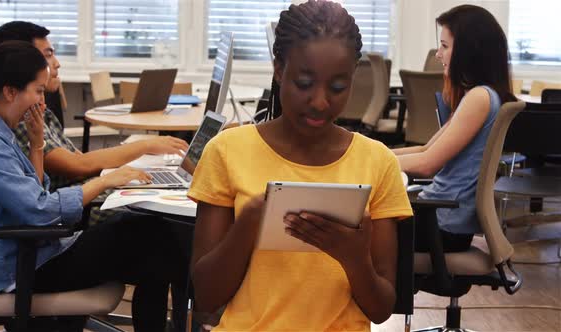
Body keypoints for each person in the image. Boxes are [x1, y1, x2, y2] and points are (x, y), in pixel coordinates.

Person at [187, 1, 413, 330]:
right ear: (279, 70)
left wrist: (354, 259)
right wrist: (249, 222)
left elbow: (381, 309)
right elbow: (206, 296)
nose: (321, 101)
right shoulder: (226, 151)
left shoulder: (378, 162)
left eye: (338, 87)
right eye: (304, 83)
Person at [0, 41, 185, 332]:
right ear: (10, 91)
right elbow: (40, 209)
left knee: (154, 251)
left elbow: (34, 194)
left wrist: (36, 144)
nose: (40, 102)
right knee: (151, 233)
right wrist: (106, 180)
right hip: (22, 268)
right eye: (37, 90)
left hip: (34, 252)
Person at [0, 21, 189, 193]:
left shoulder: (39, 111)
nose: (56, 64)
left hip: (78, 193)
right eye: (48, 55)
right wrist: (146, 146)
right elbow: (77, 166)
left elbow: (81, 158)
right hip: (72, 203)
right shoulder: (19, 118)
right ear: (21, 61)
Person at [393, 4, 516, 252]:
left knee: (348, 229)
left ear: (469, 52)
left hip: (440, 227)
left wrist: (366, 162)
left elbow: (428, 164)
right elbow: (427, 149)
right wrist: (369, 152)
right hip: (439, 221)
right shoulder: (478, 95)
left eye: (445, 46)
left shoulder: (480, 98)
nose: (438, 54)